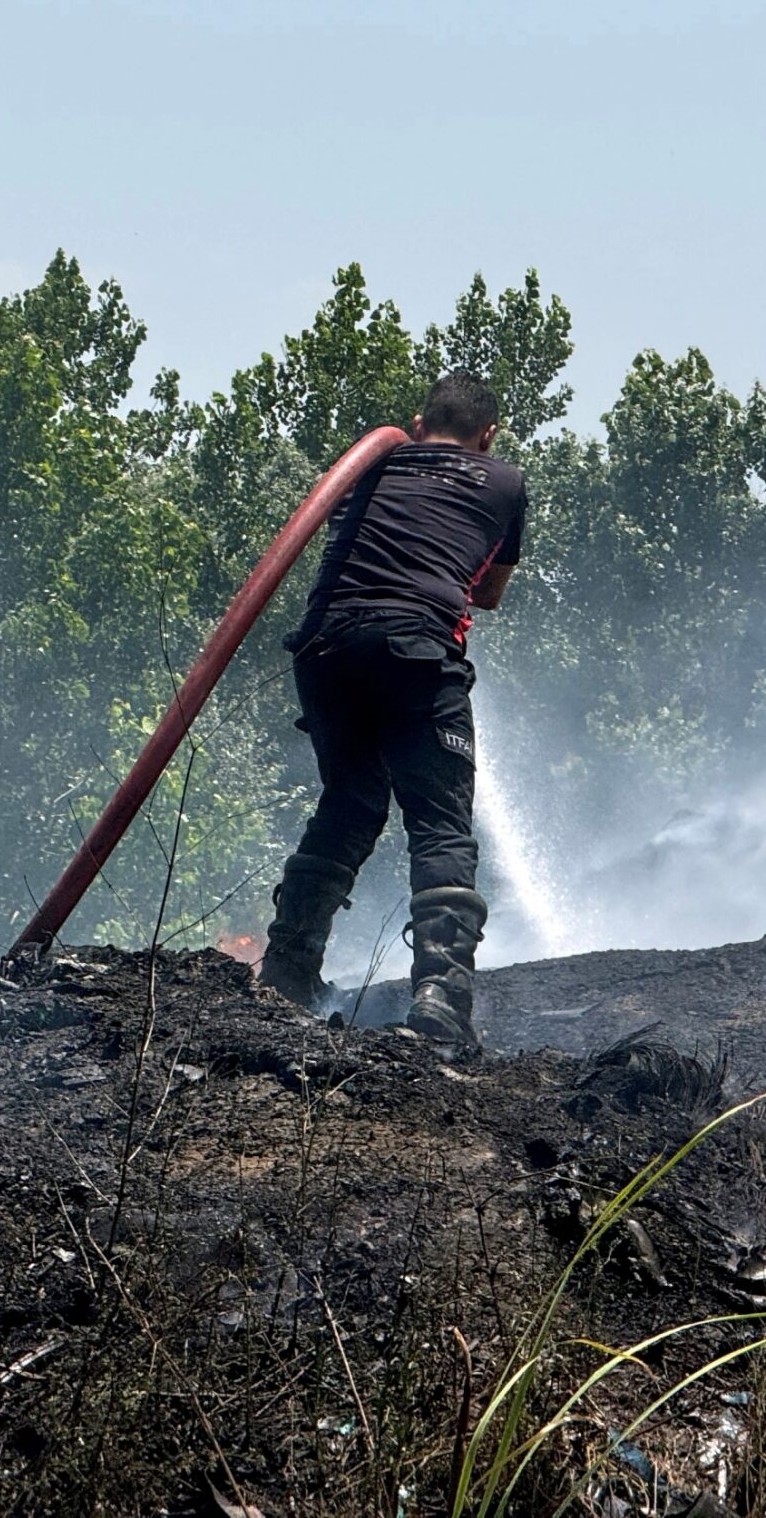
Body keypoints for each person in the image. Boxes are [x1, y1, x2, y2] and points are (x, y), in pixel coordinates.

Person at [257, 371, 525, 1051]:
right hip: (414, 650)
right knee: (439, 822)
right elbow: (487, 592)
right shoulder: (503, 482)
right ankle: (439, 996)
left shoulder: (373, 464)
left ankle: (286, 970)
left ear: (419, 417)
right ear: (487, 435)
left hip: (325, 650)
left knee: (351, 801)